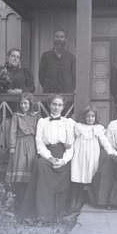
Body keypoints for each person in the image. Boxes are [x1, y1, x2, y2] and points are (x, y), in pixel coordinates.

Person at [20, 94, 76, 222]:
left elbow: (70, 146)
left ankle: (58, 213)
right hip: (47, 154)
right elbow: (39, 144)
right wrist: (50, 158)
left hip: (62, 155)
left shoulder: (67, 123)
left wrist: (63, 160)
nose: (57, 107)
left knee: (63, 173)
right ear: (49, 105)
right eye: (54, 104)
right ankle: (43, 216)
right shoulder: (42, 122)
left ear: (63, 107)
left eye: (60, 105)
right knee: (40, 164)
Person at [70, 105, 115, 213]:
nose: (90, 119)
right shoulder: (78, 126)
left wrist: (110, 152)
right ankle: (73, 200)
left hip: (92, 153)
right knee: (77, 174)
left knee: (89, 174)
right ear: (84, 117)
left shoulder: (97, 128)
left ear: (95, 117)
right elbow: (73, 139)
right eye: (88, 116)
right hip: (79, 153)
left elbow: (104, 141)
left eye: (92, 116)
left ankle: (82, 199)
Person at [5, 92, 41, 212]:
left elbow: (40, 132)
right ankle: (19, 203)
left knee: (31, 170)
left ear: (31, 104)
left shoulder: (36, 116)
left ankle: (30, 205)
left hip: (33, 144)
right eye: (21, 103)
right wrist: (12, 146)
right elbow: (13, 132)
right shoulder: (16, 116)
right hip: (20, 145)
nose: (23, 105)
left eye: (25, 103)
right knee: (20, 171)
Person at [38, 30, 76, 94]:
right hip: (49, 94)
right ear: (54, 39)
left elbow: (74, 77)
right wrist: (46, 87)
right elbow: (41, 75)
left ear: (65, 40)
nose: (59, 39)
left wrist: (69, 89)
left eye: (61, 37)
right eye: (57, 36)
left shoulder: (71, 57)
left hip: (66, 94)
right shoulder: (46, 55)